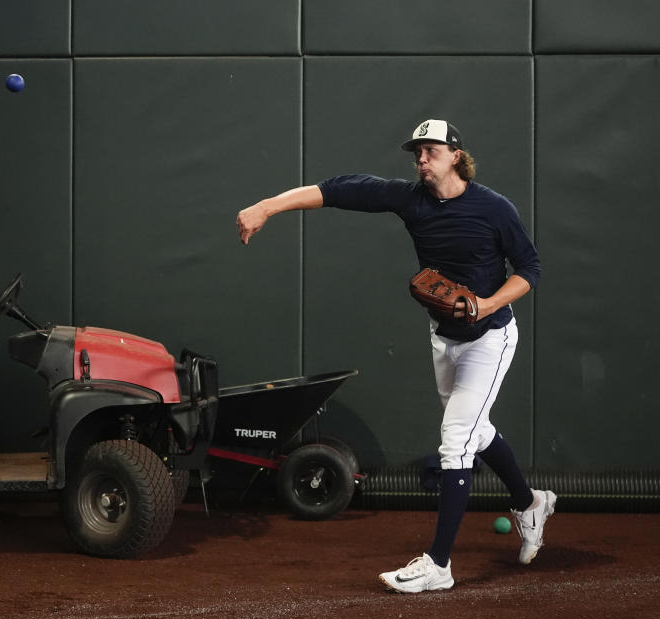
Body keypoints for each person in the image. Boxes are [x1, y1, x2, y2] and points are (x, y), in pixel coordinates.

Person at [236, 119, 555, 593]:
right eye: (417, 152)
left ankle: (439, 565)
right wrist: (267, 206)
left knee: (455, 441)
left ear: (455, 155)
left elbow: (530, 268)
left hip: (490, 336)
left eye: (430, 150)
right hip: (444, 336)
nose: (421, 159)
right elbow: (339, 190)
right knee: (474, 430)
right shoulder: (410, 200)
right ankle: (530, 501)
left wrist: (488, 303)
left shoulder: (494, 209)